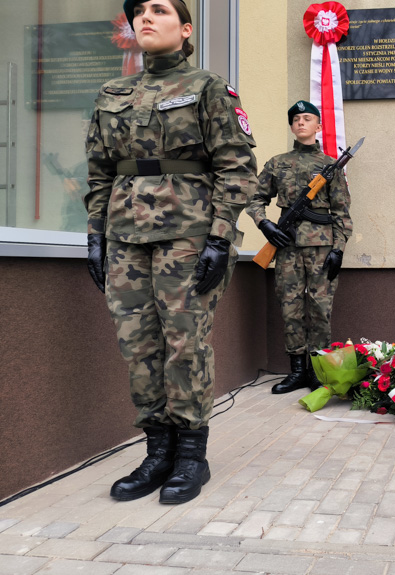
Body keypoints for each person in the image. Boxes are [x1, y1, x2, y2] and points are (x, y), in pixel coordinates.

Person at [84, 0, 257, 504]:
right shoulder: (112, 93)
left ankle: (191, 457)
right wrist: (95, 235)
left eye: (158, 10)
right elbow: (98, 170)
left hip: (189, 233)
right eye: (138, 10)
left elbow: (237, 166)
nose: (144, 16)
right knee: (138, 345)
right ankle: (157, 451)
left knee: (184, 342)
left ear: (185, 30)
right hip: (123, 237)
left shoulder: (208, 88)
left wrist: (221, 236)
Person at [245, 100, 352, 395]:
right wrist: (265, 225)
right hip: (288, 247)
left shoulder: (330, 166)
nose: (301, 122)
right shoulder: (277, 163)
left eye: (307, 119)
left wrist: (338, 249)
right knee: (290, 309)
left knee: (320, 309)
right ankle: (296, 372)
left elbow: (342, 213)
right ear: (291, 126)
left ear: (319, 127)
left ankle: (318, 372)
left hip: (321, 249)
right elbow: (254, 199)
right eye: (296, 119)